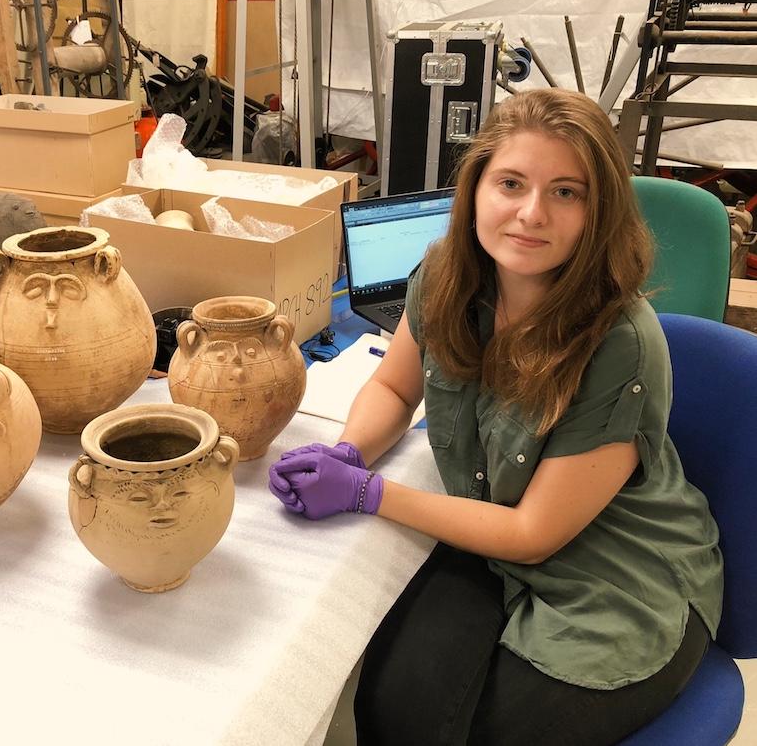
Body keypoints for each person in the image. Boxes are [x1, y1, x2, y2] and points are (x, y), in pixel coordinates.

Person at [268, 88, 723, 746]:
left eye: (567, 192)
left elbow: (535, 532)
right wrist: (351, 452)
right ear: (476, 185)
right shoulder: (445, 273)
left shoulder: (618, 339)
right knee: (387, 706)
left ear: (600, 212)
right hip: (489, 528)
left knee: (480, 732)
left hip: (614, 571)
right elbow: (395, 390)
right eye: (511, 182)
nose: (530, 213)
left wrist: (369, 494)